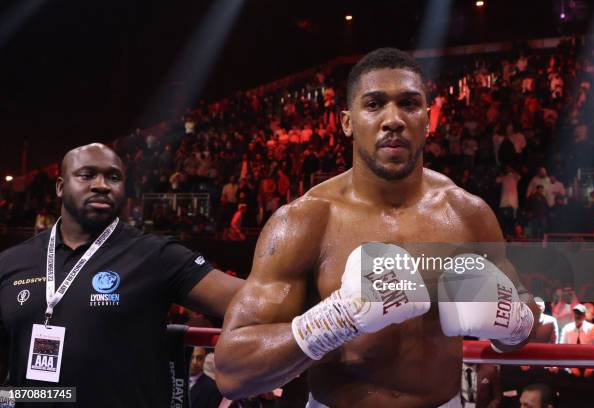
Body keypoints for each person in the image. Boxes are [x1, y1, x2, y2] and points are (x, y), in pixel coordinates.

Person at [215, 48, 538, 408]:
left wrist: (515, 321)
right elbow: (233, 370)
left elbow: (525, 318)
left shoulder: (468, 214)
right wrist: (337, 317)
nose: (393, 119)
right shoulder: (304, 222)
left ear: (428, 120)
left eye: (409, 104)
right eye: (374, 104)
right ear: (347, 122)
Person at [0, 143, 243, 407]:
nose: (101, 185)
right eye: (87, 175)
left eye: (113, 177)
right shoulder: (12, 262)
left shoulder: (156, 255)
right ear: (60, 187)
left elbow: (252, 300)